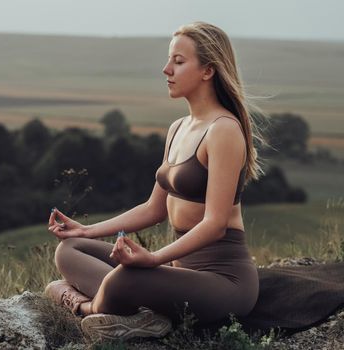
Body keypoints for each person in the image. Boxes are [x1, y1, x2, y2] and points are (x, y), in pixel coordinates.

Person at [45, 21, 268, 341]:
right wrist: (86, 230)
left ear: (208, 71)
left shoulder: (223, 130)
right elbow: (153, 209)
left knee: (124, 280)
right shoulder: (178, 128)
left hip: (223, 281)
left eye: (178, 61)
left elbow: (216, 224)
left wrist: (153, 259)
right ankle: (133, 312)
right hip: (179, 273)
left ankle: (84, 307)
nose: (166, 69)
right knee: (69, 249)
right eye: (169, 61)